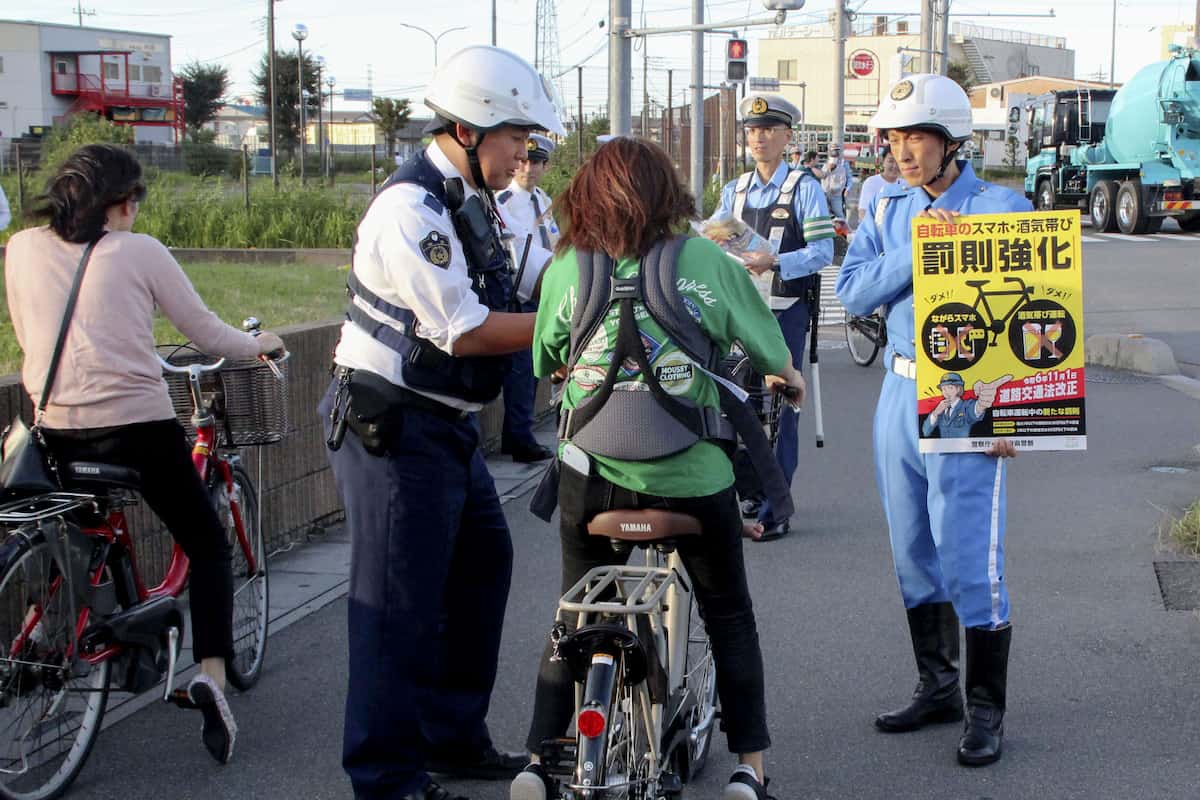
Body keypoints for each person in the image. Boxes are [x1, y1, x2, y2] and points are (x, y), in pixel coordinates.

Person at [509, 136, 805, 800]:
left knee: (574, 613)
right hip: (691, 483)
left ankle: (535, 761)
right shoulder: (706, 260)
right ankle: (749, 770)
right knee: (729, 615)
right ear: (670, 194)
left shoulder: (568, 266)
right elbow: (770, 354)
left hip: (591, 479)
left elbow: (544, 359)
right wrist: (790, 380)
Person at [318, 46, 564, 800]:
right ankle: (386, 777)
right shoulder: (411, 209)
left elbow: (526, 279)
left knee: (482, 567)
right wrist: (574, 323)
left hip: (445, 425)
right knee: (395, 605)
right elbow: (465, 330)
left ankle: (450, 738)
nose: (524, 153)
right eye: (515, 136)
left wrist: (601, 272)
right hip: (393, 427)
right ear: (466, 129)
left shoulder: (470, 198)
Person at [4, 143, 286, 765]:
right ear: (120, 202)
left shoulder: (20, 248)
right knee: (206, 543)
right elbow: (205, 332)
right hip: (138, 430)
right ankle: (210, 674)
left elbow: (32, 336)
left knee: (79, 535)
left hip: (56, 429)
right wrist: (260, 342)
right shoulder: (139, 250)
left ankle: (56, 630)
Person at [836, 73, 1031, 768]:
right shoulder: (887, 207)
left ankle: (985, 708)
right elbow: (851, 290)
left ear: (952, 141)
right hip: (897, 390)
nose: (902, 151)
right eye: (893, 137)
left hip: (968, 395)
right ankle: (939, 685)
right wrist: (916, 249)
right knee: (912, 549)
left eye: (916, 136)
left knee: (970, 553)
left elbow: (1036, 303)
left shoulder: (1001, 207)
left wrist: (1018, 412)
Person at [712, 93, 835, 541]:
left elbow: (823, 250)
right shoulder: (735, 190)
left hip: (784, 311)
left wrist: (777, 261)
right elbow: (713, 239)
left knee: (781, 405)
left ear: (787, 136)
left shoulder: (805, 187)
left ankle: (775, 506)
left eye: (768, 130)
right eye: (752, 130)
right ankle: (748, 489)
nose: (759, 138)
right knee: (733, 402)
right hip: (737, 313)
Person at [495, 133, 559, 463]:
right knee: (521, 370)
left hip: (545, 290)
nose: (528, 168)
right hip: (521, 292)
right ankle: (519, 437)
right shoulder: (504, 202)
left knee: (534, 368)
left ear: (545, 167)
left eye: (536, 163)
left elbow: (554, 242)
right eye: (523, 161)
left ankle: (519, 433)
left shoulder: (543, 199)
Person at [856, 147, 899, 226]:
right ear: (883, 161)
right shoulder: (871, 182)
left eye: (898, 161)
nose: (895, 165)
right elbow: (863, 212)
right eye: (890, 161)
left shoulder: (907, 184)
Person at [822, 145, 854, 219]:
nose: (835, 152)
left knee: (839, 212)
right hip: (826, 193)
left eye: (836, 150)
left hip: (838, 193)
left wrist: (847, 189)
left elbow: (848, 178)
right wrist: (828, 169)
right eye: (833, 150)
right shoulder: (826, 165)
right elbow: (823, 177)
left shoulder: (843, 164)